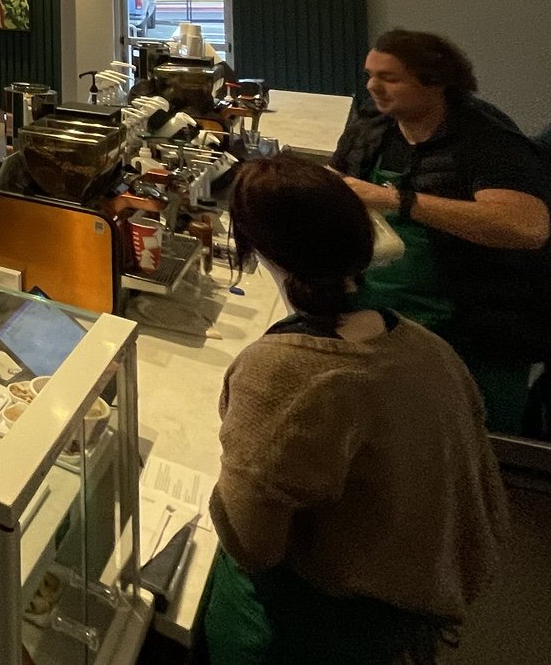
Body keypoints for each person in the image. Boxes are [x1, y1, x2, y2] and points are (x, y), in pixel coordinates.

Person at [206, 152, 506, 665]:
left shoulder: (282, 371)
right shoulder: (427, 346)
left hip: (309, 629)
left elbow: (250, 542)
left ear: (260, 250)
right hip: (407, 619)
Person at [332, 29, 550, 433]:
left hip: (476, 334)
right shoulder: (374, 126)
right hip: (383, 317)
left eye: (390, 78)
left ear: (436, 82)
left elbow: (526, 227)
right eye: (369, 75)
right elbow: (341, 180)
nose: (373, 87)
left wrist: (399, 200)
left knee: (475, 443)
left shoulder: (486, 140)